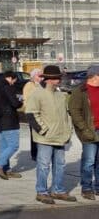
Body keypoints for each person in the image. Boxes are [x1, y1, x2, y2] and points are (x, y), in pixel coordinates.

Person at [25, 64, 76, 204]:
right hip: (45, 138)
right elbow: (30, 114)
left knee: (60, 165)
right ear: (48, 79)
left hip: (60, 137)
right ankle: (41, 192)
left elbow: (66, 115)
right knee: (43, 165)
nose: (58, 80)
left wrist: (68, 130)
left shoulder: (61, 95)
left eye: (58, 77)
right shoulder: (37, 93)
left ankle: (58, 190)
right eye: (56, 78)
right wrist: (43, 130)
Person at [68, 64, 99, 200]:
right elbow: (75, 112)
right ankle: (86, 188)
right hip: (89, 130)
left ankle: (98, 187)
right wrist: (84, 129)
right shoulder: (80, 91)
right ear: (94, 76)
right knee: (89, 161)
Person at [0, 72, 24, 180]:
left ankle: (6, 170)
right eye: (14, 80)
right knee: (14, 145)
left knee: (4, 146)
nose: (14, 83)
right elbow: (15, 104)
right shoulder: (6, 87)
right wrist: (20, 100)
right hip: (8, 121)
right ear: (9, 78)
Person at [22, 67, 44, 160]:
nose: (41, 77)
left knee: (42, 132)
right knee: (34, 133)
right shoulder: (29, 85)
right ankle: (35, 154)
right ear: (34, 76)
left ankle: (42, 152)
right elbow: (26, 99)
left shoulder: (42, 85)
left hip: (43, 113)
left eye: (42, 76)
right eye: (39, 76)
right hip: (33, 113)